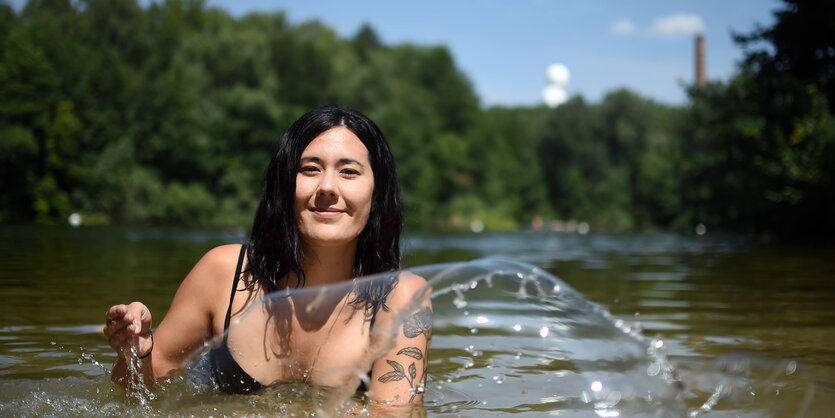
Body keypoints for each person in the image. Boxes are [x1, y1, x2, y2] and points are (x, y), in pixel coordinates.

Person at [102, 105, 432, 409]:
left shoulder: (404, 298)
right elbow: (136, 396)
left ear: (376, 196)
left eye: (349, 172)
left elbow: (395, 414)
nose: (328, 187)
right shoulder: (223, 273)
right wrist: (137, 353)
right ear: (284, 186)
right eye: (310, 169)